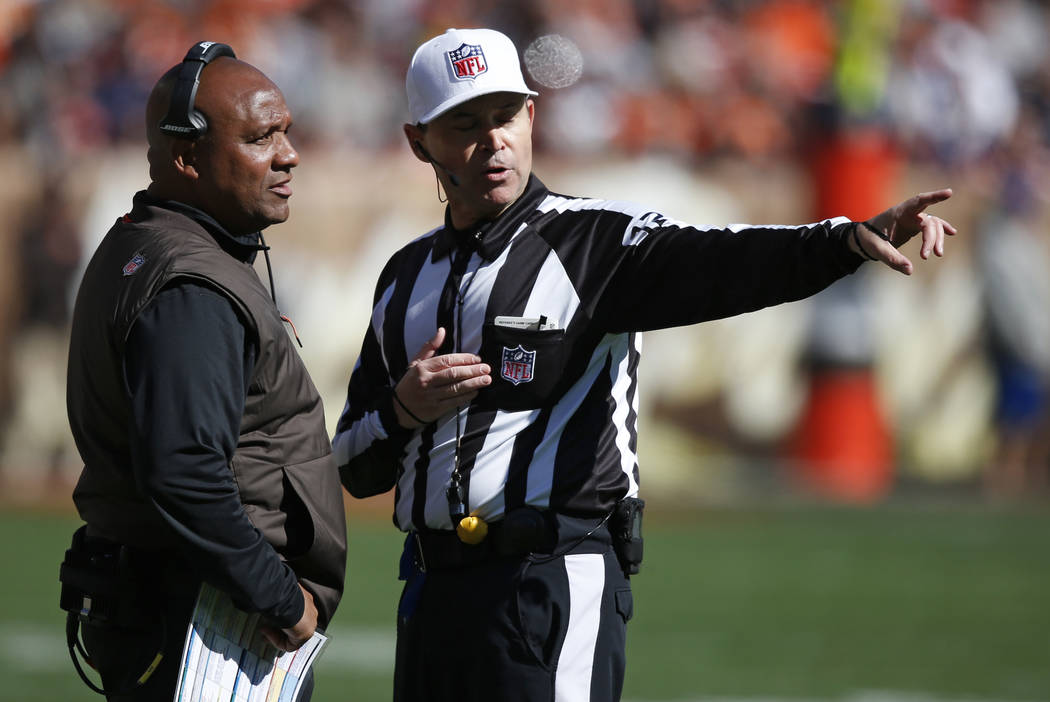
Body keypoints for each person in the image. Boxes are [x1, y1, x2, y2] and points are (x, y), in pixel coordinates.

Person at [333, 27, 956, 702]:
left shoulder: (591, 242)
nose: (495, 140)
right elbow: (355, 467)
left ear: (532, 116)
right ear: (418, 140)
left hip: (547, 581)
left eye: (506, 115)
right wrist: (402, 411)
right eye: (465, 124)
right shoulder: (403, 276)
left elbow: (726, 260)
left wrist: (845, 240)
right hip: (429, 592)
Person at [63, 42, 346, 702]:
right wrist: (279, 597)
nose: (287, 154)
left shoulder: (147, 239)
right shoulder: (192, 286)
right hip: (204, 621)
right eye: (259, 137)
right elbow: (185, 470)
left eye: (285, 132)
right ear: (186, 158)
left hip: (173, 604)